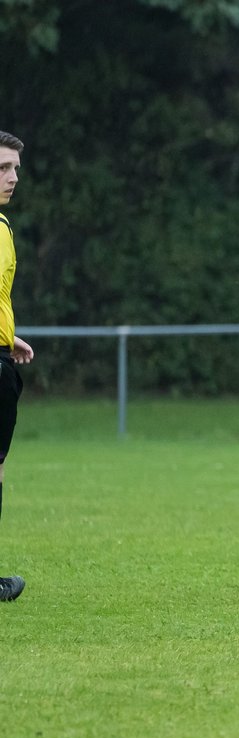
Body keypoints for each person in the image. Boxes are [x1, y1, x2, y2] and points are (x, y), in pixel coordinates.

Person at [1, 130, 33, 603]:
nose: (11, 178)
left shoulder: (2, 228)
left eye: (14, 170)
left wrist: (7, 335)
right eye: (2, 169)